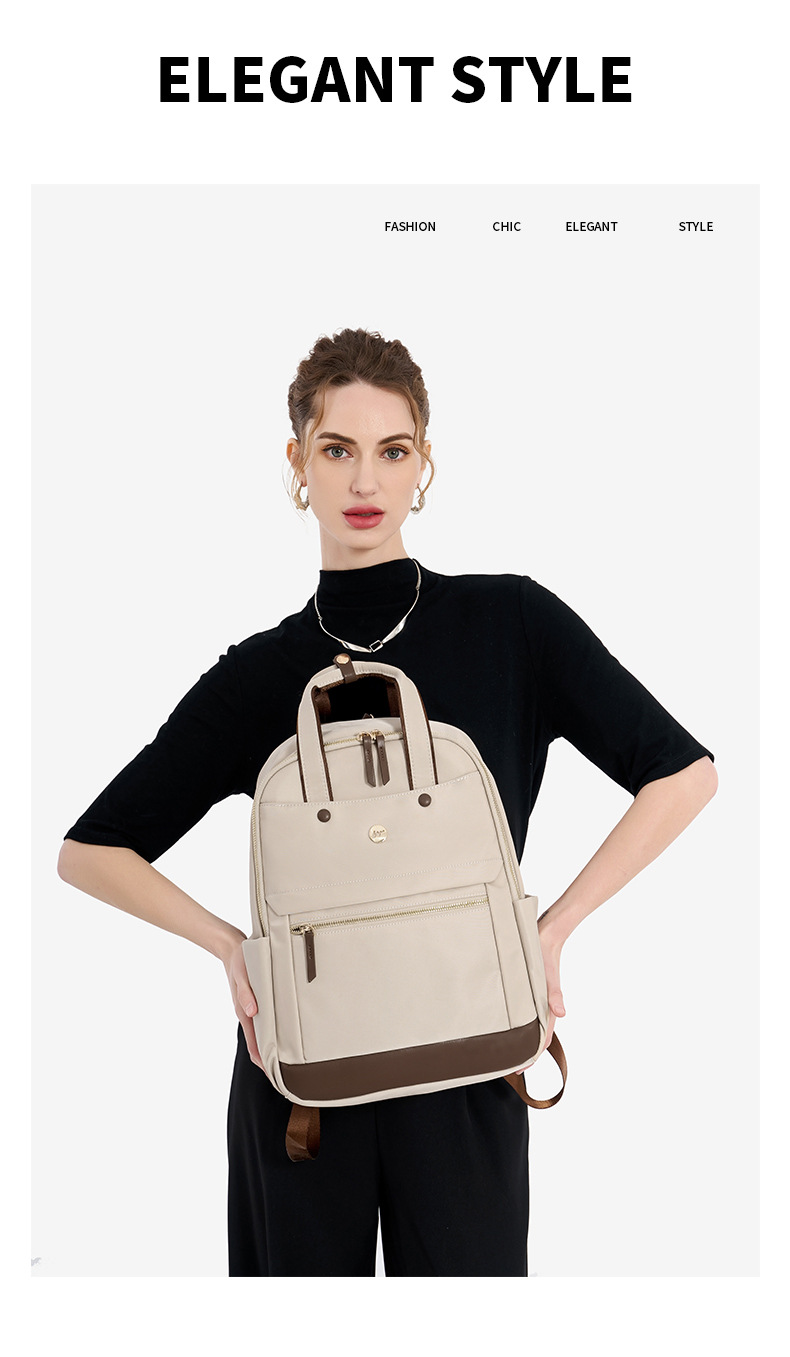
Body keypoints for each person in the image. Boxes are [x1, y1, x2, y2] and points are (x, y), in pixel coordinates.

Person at [57, 327, 717, 1277]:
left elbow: (683, 773)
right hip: (303, 1083)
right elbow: (90, 849)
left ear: (424, 464)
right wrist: (232, 948)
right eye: (337, 449)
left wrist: (550, 930)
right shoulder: (257, 674)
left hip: (471, 1057)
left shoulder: (512, 622)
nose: (365, 480)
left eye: (392, 450)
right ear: (297, 462)